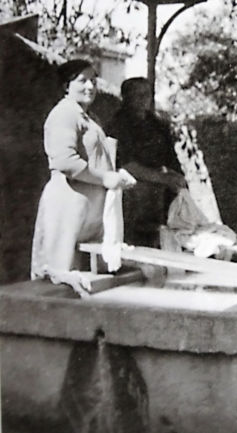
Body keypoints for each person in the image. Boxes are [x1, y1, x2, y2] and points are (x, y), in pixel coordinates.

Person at [31, 59, 135, 293]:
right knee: (58, 279)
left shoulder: (91, 118)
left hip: (89, 212)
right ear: (66, 86)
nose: (90, 86)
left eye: (94, 81)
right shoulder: (64, 114)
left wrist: (115, 175)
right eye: (82, 80)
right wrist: (106, 179)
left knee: (87, 282)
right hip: (67, 207)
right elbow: (64, 161)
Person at [106, 77, 187, 248]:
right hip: (130, 189)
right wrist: (163, 179)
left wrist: (177, 178)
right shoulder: (117, 125)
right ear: (125, 97)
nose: (143, 99)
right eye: (137, 95)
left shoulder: (158, 125)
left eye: (147, 94)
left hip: (158, 189)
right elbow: (126, 165)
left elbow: (171, 160)